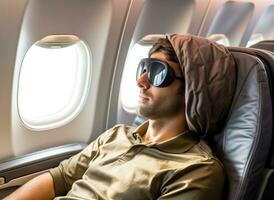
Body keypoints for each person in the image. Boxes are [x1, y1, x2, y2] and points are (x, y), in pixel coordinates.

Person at [5, 34, 236, 200]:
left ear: (193, 89)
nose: (140, 82)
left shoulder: (196, 170)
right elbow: (60, 179)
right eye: (143, 68)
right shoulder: (117, 135)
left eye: (157, 72)